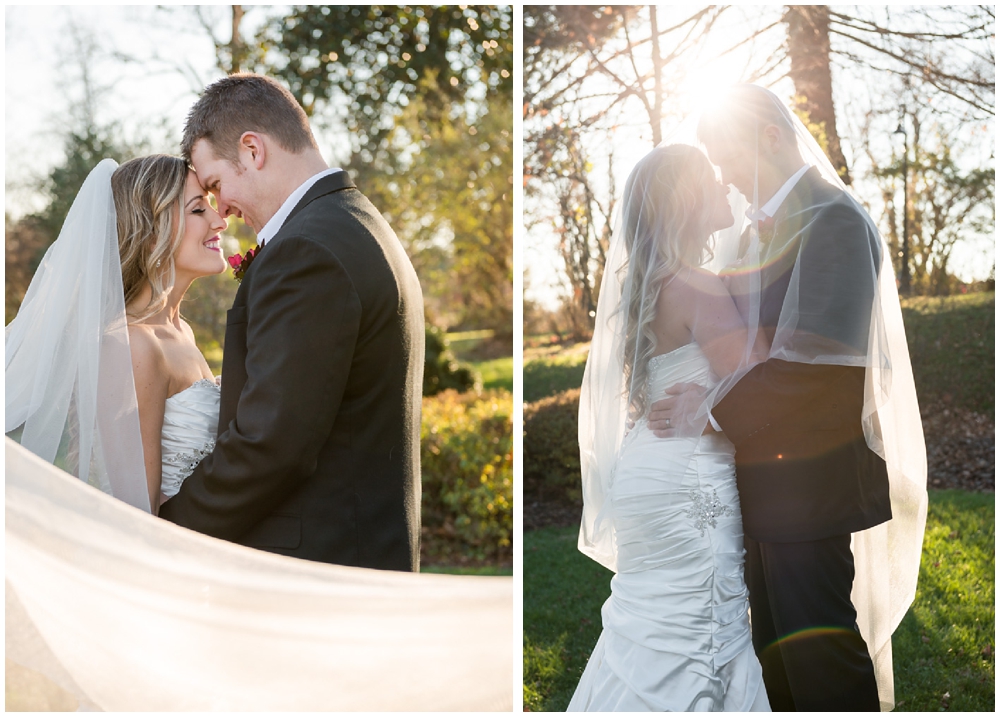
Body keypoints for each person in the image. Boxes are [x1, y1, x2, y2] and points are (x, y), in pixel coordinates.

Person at [646, 85, 927, 710]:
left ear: (769, 138)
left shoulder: (835, 221)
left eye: (725, 157)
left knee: (821, 662)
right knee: (777, 659)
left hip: (811, 489)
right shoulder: (759, 233)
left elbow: (817, 368)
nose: (722, 176)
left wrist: (708, 409)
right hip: (762, 484)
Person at [157, 74, 425, 572]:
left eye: (216, 185)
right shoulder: (357, 221)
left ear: (253, 149)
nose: (224, 212)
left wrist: (166, 534)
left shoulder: (306, 251)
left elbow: (270, 444)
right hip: (357, 553)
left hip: (319, 571)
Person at [570, 144, 772, 711]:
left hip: (644, 472)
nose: (726, 186)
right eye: (711, 179)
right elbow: (757, 383)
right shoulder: (700, 285)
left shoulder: (648, 286)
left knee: (648, 630)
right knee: (702, 634)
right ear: (686, 200)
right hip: (691, 478)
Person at [6, 155, 229, 515]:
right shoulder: (131, 344)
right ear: (152, 228)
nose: (220, 222)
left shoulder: (179, 331)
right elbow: (136, 513)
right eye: (199, 210)